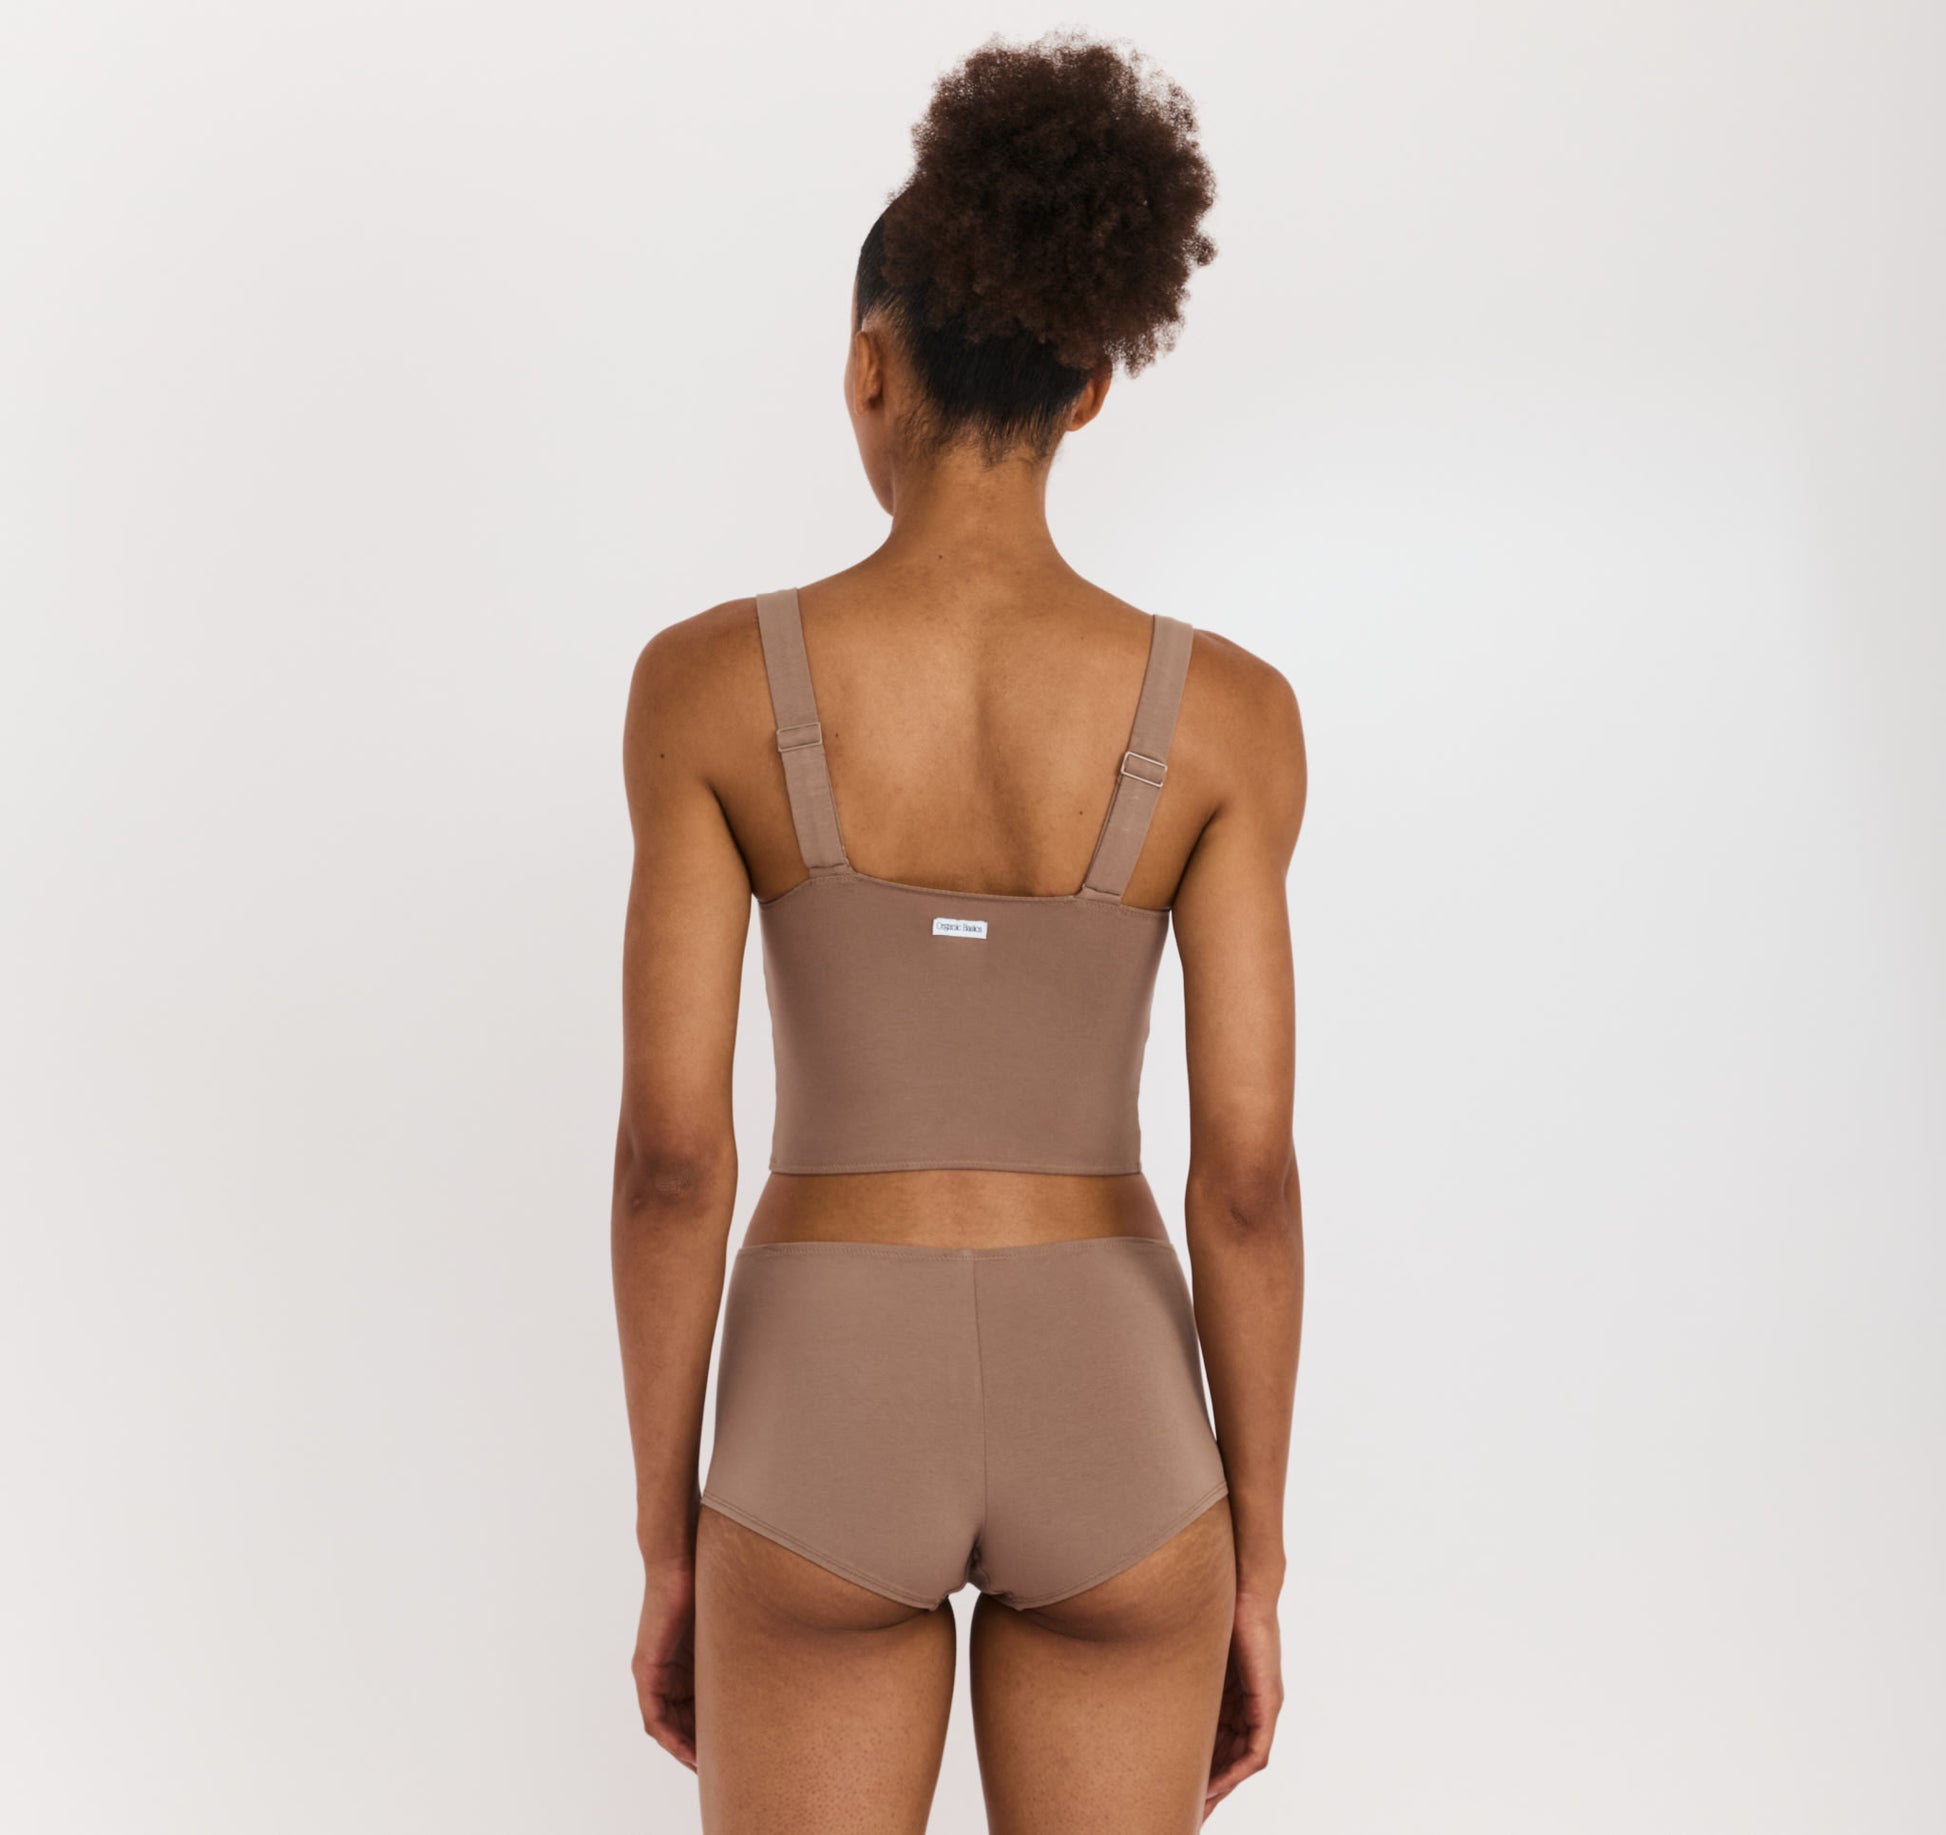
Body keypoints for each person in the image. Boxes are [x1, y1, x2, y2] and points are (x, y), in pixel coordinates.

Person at [611, 30, 1306, 1832]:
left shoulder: (706, 690)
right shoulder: (1228, 721)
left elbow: (674, 1160)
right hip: (1114, 1395)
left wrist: (670, 1538)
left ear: (869, 365)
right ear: (1090, 389)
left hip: (823, 1399)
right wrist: (1254, 1561)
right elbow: (1244, 1181)